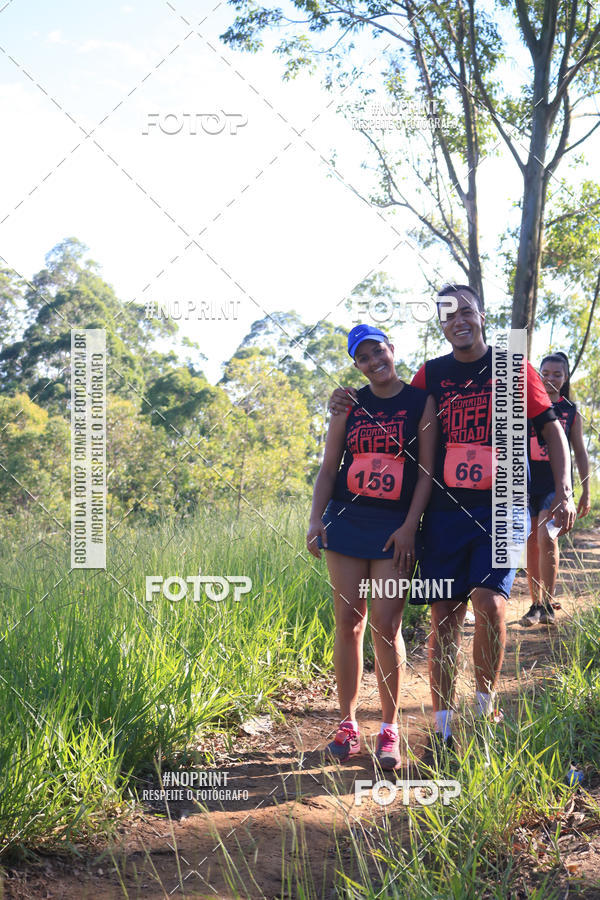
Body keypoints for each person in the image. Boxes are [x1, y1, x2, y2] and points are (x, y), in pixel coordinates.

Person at [329, 286, 577, 759]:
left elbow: (553, 430)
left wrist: (563, 490)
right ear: (440, 326)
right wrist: (347, 402)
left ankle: (484, 708)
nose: (458, 321)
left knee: (490, 603)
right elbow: (391, 402)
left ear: (481, 316)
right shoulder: (432, 375)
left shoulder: (513, 369)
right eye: (448, 316)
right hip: (443, 511)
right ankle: (442, 728)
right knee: (442, 614)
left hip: (503, 504)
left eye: (465, 312)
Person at [307, 324, 437, 770]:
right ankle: (346, 725)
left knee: (385, 624)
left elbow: (425, 475)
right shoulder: (349, 403)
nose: (373, 361)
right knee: (348, 622)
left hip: (393, 529)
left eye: (377, 351)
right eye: (362, 357)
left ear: (391, 350)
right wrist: (315, 518)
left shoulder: (421, 402)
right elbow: (328, 469)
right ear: (356, 364)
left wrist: (408, 527)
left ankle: (389, 727)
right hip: (346, 522)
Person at [521, 352, 590, 626]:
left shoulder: (570, 410)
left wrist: (583, 490)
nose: (550, 379)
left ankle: (548, 603)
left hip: (555, 487)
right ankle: (535, 605)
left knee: (546, 537)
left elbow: (581, 453)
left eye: (557, 374)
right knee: (531, 542)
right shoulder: (524, 406)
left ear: (565, 378)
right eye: (545, 373)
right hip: (527, 485)